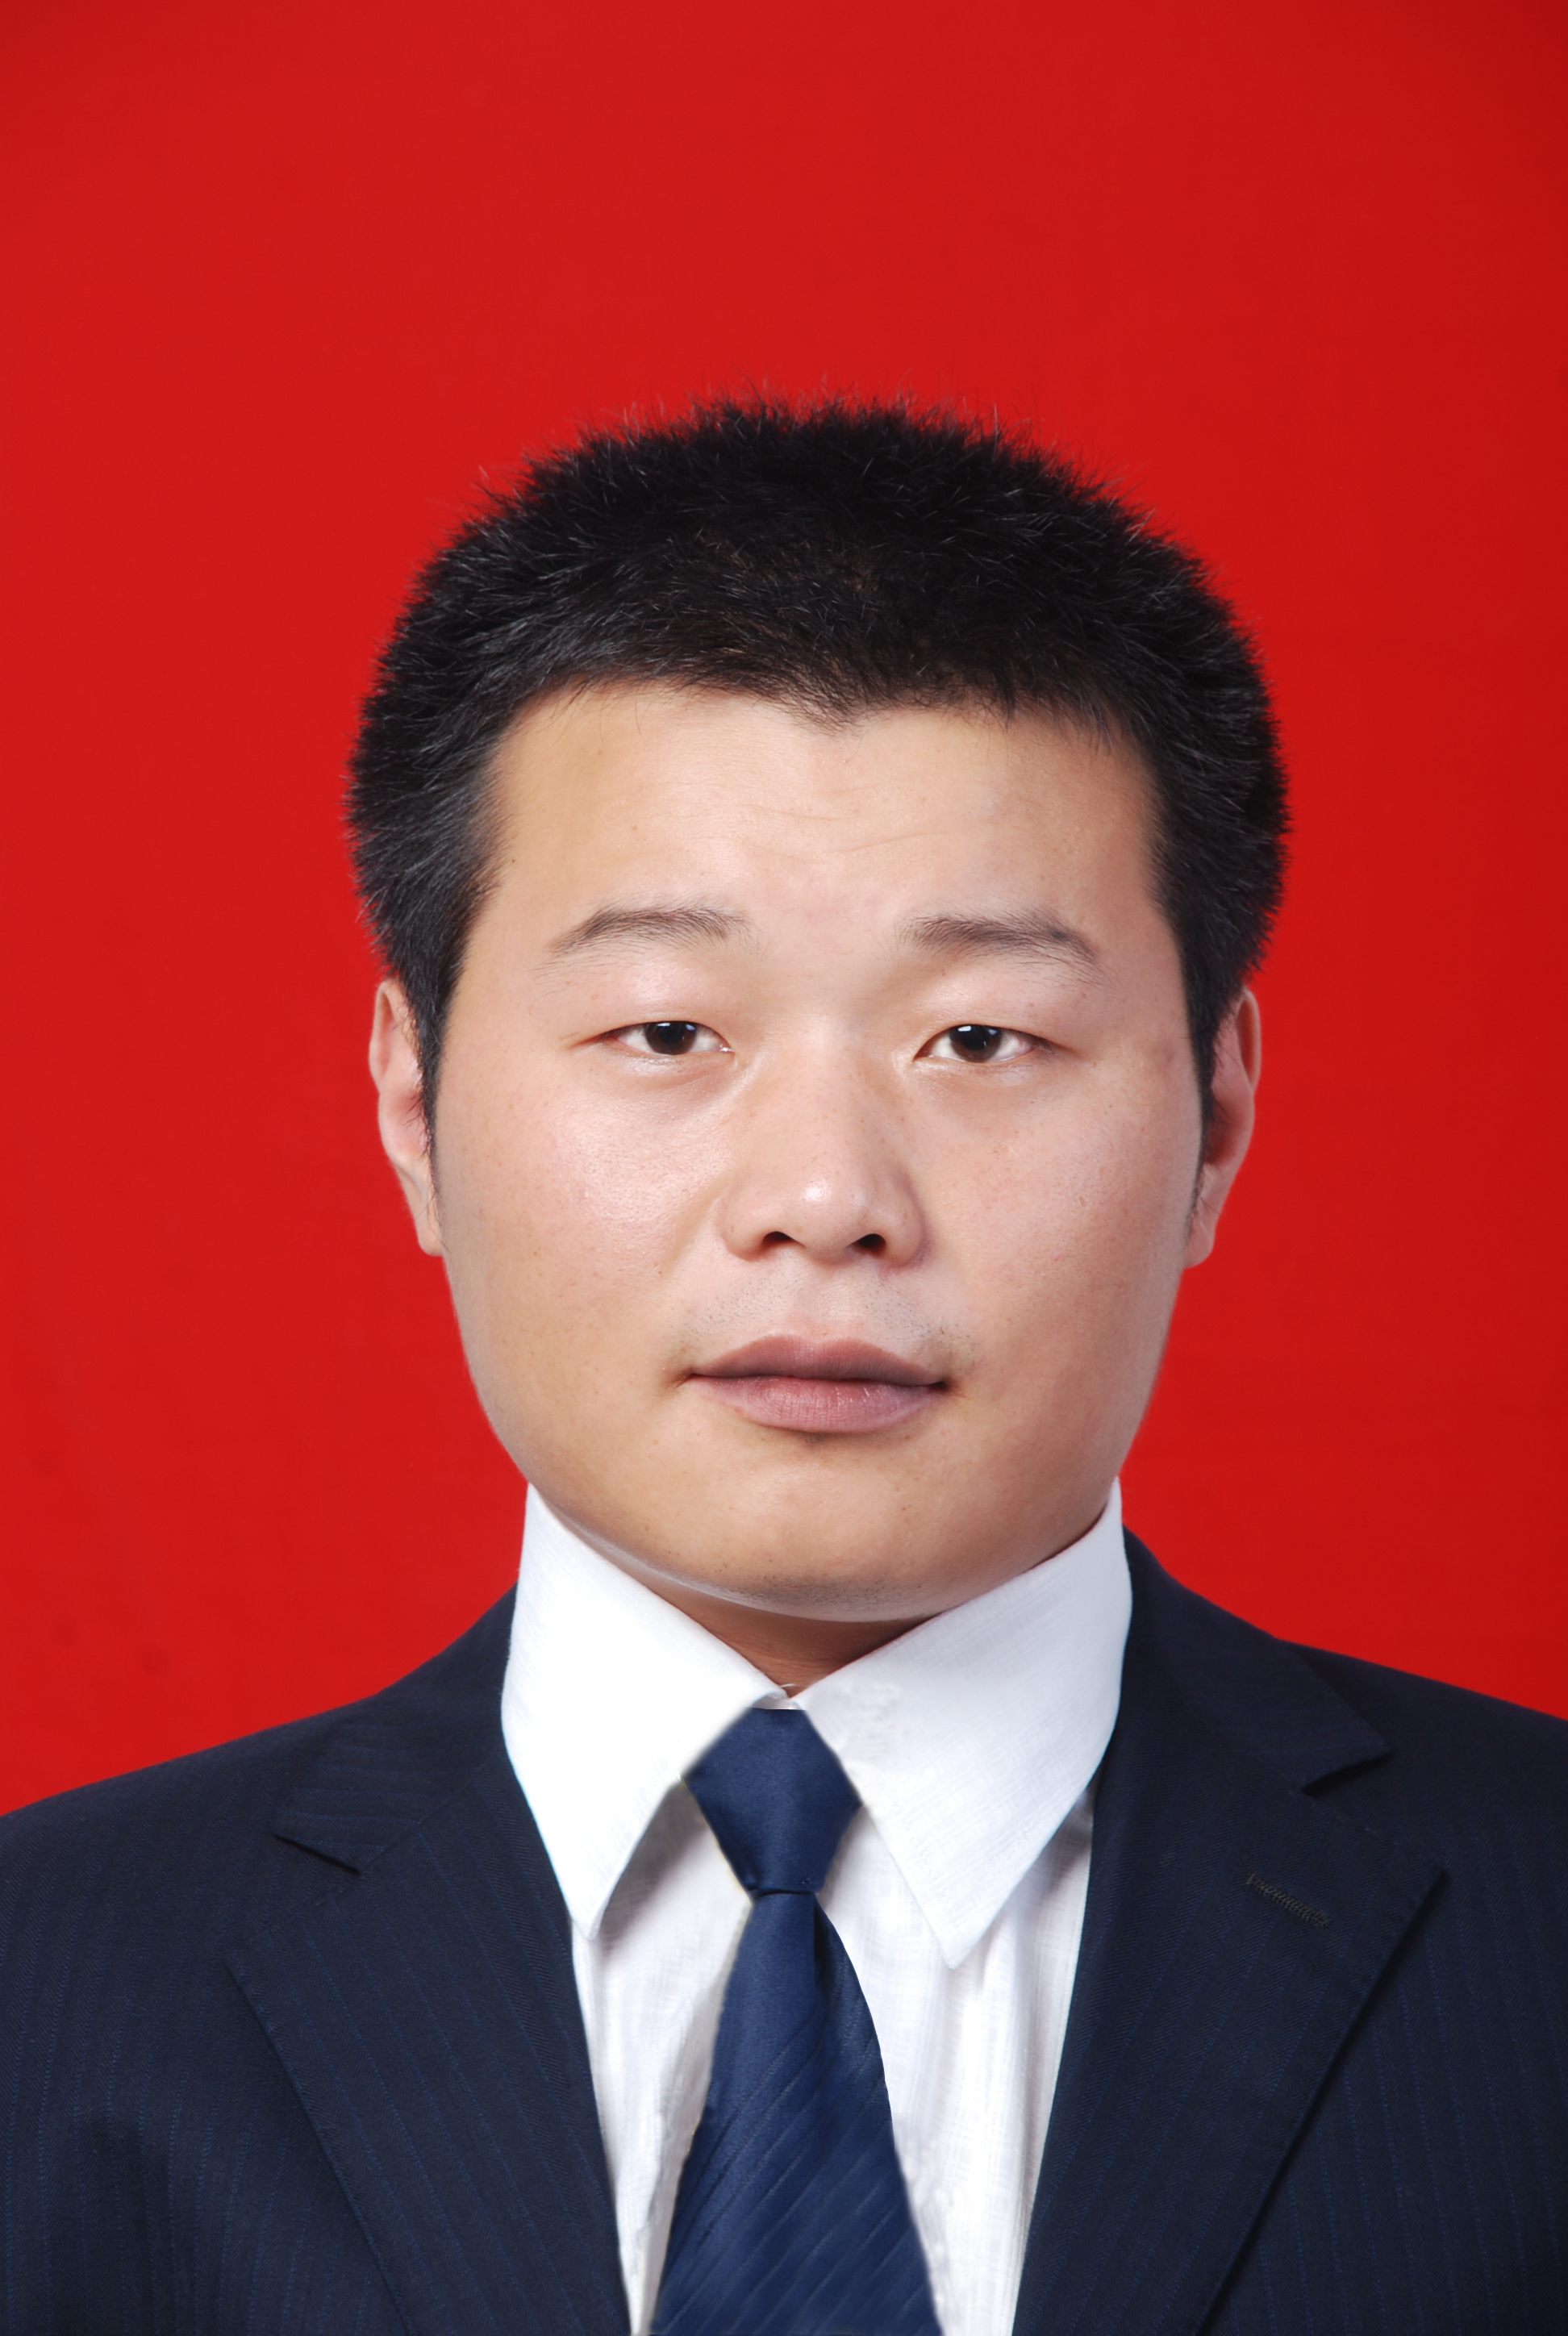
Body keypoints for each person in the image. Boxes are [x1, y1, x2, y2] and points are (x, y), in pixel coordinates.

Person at [2, 399, 1563, 2336]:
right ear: (414, 1104)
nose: (827, 1199)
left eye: (981, 1038)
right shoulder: (42, 1990)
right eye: (669, 1030)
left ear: (1218, 1120)